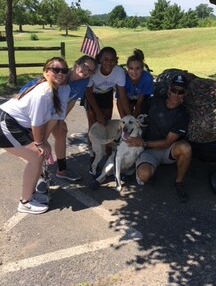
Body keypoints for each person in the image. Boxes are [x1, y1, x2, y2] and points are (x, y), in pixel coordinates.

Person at [0, 57, 70, 214]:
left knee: (39, 155)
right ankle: (25, 202)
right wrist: (40, 143)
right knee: (36, 156)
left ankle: (31, 194)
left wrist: (44, 141)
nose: (60, 73)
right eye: (55, 70)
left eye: (64, 70)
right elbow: (36, 123)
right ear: (46, 72)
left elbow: (54, 118)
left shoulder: (63, 90)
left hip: (16, 125)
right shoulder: (43, 92)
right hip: (5, 122)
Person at [21, 55, 97, 186]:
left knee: (62, 130)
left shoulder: (84, 81)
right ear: (77, 64)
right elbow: (42, 102)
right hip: (35, 109)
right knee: (38, 140)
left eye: (90, 70)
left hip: (52, 111)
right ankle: (38, 176)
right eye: (85, 66)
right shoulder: (61, 77)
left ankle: (61, 169)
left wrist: (61, 119)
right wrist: (44, 136)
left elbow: (71, 102)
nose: (86, 72)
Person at [127, 74, 192, 203]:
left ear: (185, 94)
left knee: (186, 148)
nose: (176, 95)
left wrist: (143, 143)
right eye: (174, 90)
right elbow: (137, 117)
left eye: (180, 92)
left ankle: (179, 182)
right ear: (169, 90)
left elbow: (168, 142)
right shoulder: (154, 102)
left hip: (167, 149)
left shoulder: (183, 114)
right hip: (149, 150)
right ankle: (149, 170)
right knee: (144, 175)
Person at [83, 46, 131, 171]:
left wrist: (130, 115)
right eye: (105, 59)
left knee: (106, 124)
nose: (109, 63)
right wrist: (98, 112)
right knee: (93, 125)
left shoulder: (119, 72)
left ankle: (108, 154)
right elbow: (88, 93)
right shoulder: (94, 71)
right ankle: (92, 154)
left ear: (116, 60)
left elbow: (122, 95)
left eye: (112, 60)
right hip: (92, 95)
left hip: (106, 94)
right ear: (99, 59)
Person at [116, 49, 154, 118]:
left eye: (137, 68)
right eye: (131, 68)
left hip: (141, 99)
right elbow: (120, 99)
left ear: (142, 68)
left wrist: (135, 116)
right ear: (127, 68)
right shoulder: (123, 78)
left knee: (141, 113)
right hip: (126, 99)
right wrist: (126, 117)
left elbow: (140, 100)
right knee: (124, 109)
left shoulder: (147, 78)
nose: (134, 72)